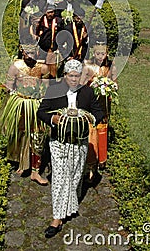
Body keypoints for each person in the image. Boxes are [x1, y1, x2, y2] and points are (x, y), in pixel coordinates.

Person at [37, 59, 104, 238]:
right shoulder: (54, 90)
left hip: (79, 142)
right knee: (59, 178)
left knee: (74, 176)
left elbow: (99, 113)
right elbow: (41, 111)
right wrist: (53, 120)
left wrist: (89, 119)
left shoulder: (88, 92)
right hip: (59, 142)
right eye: (71, 76)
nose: (74, 79)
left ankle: (71, 203)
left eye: (77, 76)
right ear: (65, 75)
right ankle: (57, 218)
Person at [0, 43, 50, 185]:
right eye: (27, 53)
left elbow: (46, 88)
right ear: (22, 52)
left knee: (37, 136)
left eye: (33, 53)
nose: (30, 56)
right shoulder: (16, 66)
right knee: (20, 133)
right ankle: (21, 162)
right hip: (20, 105)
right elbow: (9, 86)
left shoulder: (42, 68)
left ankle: (35, 171)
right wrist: (12, 98)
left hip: (36, 105)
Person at [81, 42, 118, 179]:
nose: (101, 57)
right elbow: (81, 84)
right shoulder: (88, 67)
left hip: (104, 103)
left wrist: (111, 87)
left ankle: (102, 159)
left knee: (102, 129)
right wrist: (91, 83)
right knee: (91, 131)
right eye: (98, 54)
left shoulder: (109, 68)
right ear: (94, 54)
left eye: (103, 54)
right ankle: (90, 163)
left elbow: (114, 81)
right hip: (91, 103)